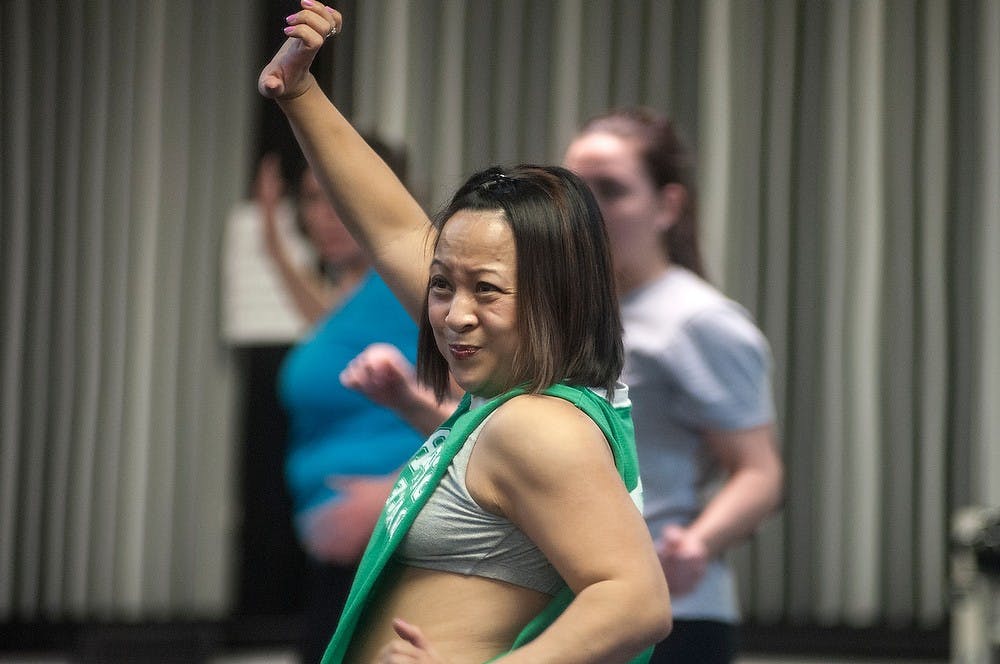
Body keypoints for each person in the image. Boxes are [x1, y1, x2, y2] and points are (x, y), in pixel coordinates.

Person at [259, 4, 672, 663]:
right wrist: (300, 94)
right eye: (443, 285)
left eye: (486, 290)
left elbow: (636, 602)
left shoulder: (538, 424)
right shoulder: (508, 400)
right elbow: (393, 228)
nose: (454, 313)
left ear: (553, 297)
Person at [564, 108, 784, 664]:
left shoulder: (698, 320)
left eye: (611, 191)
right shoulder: (560, 316)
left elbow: (759, 472)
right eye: (573, 191)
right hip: (572, 603)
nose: (588, 212)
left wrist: (700, 542)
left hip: (672, 613)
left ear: (667, 205)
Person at [256, 143, 430, 663]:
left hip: (394, 545)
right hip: (340, 558)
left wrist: (389, 494)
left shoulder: (414, 287)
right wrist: (271, 240)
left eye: (339, 198)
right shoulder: (353, 298)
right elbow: (324, 320)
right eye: (310, 200)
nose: (323, 216)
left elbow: (487, 410)